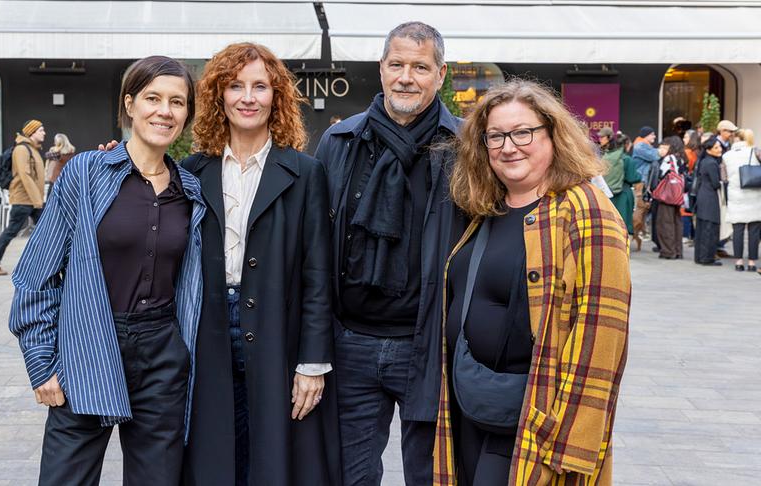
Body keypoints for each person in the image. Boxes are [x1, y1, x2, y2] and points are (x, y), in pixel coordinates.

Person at [9, 56, 204, 485]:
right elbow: (35, 275)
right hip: (89, 344)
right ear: (130, 104)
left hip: (162, 355)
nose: (165, 111)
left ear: (187, 113)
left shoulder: (189, 190)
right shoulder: (86, 174)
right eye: (153, 98)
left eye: (177, 101)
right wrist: (42, 363)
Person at [434, 79, 630, 486]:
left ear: (553, 134)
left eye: (523, 132)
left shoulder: (586, 210)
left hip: (539, 418)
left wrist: (568, 441)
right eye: (496, 136)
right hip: (472, 405)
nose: (509, 146)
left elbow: (602, 335)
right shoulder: (485, 208)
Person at [180, 43, 339, 486]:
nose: (247, 97)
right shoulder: (191, 171)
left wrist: (312, 363)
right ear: (218, 95)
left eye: (260, 86)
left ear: (277, 97)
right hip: (206, 329)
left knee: (272, 456)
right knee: (214, 453)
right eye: (235, 86)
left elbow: (318, 275)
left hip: (277, 329)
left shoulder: (306, 173)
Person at [315, 21, 466, 485]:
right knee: (350, 475)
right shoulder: (339, 143)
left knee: (433, 475)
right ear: (381, 69)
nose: (406, 77)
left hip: (429, 345)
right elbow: (314, 245)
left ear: (440, 75)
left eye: (420, 67)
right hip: (351, 343)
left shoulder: (465, 147)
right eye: (397, 64)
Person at [0, 119, 46, 275]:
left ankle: (42, 264)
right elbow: (25, 176)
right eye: (40, 130)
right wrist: (38, 200)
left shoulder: (33, 149)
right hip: (24, 199)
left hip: (32, 199)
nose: (44, 133)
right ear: (31, 132)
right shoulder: (22, 150)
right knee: (11, 231)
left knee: (44, 231)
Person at [722, 129, 761, 272]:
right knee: (754, 231)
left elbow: (724, 177)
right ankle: (751, 262)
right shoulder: (756, 151)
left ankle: (738, 262)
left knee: (737, 231)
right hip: (755, 195)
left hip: (736, 195)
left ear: (736, 139)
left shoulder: (726, 155)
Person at [601, 129, 640, 238]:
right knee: (623, 223)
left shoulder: (607, 156)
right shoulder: (627, 159)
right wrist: (640, 176)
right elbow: (633, 178)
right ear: (626, 145)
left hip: (608, 193)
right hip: (624, 193)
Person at [652, 136, 687, 260]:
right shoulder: (682, 158)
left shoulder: (668, 158)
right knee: (676, 222)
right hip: (677, 195)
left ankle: (668, 251)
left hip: (667, 195)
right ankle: (678, 251)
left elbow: (662, 174)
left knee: (665, 223)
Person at [694, 137, 725, 265]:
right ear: (709, 150)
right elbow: (715, 184)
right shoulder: (712, 163)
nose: (720, 149)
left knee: (702, 228)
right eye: (716, 147)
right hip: (710, 198)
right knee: (710, 229)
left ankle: (700, 256)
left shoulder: (704, 161)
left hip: (702, 196)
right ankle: (707, 258)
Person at [682, 130, 701, 243]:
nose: (683, 139)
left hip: (687, 183)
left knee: (685, 209)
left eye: (685, 136)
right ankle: (693, 235)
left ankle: (686, 235)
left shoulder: (687, 153)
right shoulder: (698, 152)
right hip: (696, 184)